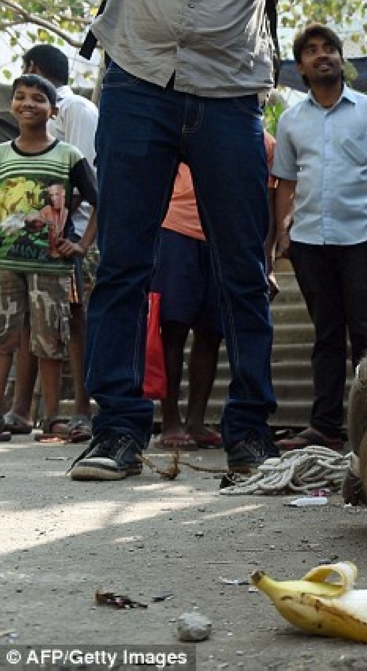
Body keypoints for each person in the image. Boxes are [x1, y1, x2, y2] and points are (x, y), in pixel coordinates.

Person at [69, 0, 279, 481]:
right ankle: (118, 428)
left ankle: (249, 432)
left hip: (231, 79)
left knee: (242, 270)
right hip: (139, 71)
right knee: (123, 263)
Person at [271, 24, 367, 452]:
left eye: (330, 48)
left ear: (341, 59)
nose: (323, 55)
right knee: (326, 336)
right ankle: (323, 427)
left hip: (360, 240)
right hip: (310, 244)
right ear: (301, 66)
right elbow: (283, 180)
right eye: (312, 51)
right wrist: (283, 233)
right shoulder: (292, 120)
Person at [153, 131, 278, 451]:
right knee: (173, 326)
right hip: (176, 228)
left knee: (211, 331)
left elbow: (267, 199)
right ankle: (169, 419)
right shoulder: (185, 124)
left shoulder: (264, 142)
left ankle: (195, 420)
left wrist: (267, 258)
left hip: (226, 237)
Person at [0, 44, 99, 442]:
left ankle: (73, 412)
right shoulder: (7, 152)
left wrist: (51, 221)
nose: (27, 103)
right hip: (19, 252)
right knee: (23, 327)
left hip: (66, 240)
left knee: (66, 324)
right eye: (19, 96)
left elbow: (87, 177)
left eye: (37, 96)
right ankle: (21, 410)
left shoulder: (77, 110)